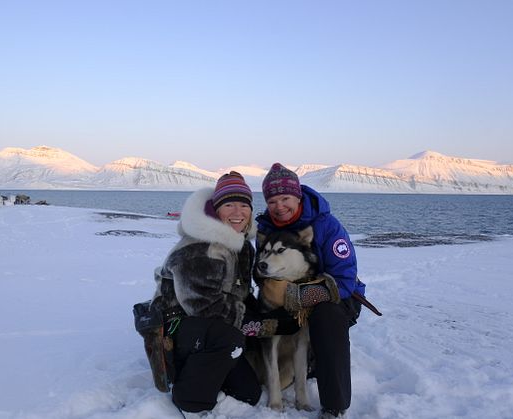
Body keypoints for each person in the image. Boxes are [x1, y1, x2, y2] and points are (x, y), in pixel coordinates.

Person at [150, 171, 299, 414]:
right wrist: (263, 325)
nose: (237, 212)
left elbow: (240, 294)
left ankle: (212, 369)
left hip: (213, 330)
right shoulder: (200, 247)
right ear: (215, 209)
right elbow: (203, 306)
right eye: (229, 205)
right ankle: (189, 398)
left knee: (248, 394)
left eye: (244, 205)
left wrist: (269, 315)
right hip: (177, 327)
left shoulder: (239, 244)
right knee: (229, 337)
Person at [255, 163, 367, 418]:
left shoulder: (327, 226)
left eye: (285, 198)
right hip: (282, 295)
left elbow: (345, 279)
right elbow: (260, 270)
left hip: (337, 296)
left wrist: (304, 297)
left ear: (298, 196)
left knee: (325, 318)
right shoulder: (265, 228)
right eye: (272, 201)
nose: (279, 206)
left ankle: (334, 405)